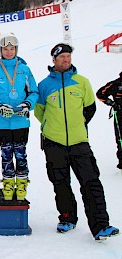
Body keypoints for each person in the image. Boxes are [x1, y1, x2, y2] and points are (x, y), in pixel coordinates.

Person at [34, 43, 119, 240]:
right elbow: (40, 112)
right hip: (53, 142)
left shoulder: (82, 82)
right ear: (54, 60)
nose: (66, 59)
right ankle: (67, 218)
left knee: (91, 182)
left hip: (79, 142)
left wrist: (77, 126)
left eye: (68, 56)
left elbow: (89, 109)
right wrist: (52, 127)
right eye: (62, 56)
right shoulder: (44, 85)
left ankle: (100, 226)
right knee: (60, 182)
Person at [0, 32, 38, 201]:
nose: (9, 52)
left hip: (21, 120)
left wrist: (27, 105)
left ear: (16, 49)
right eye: (5, 49)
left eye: (12, 48)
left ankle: (22, 183)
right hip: (2, 122)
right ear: (0, 50)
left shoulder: (24, 70)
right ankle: (7, 183)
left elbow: (34, 92)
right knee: (6, 153)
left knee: (21, 152)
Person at [96, 72, 122, 169]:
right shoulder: (116, 84)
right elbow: (100, 94)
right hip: (120, 115)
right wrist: (111, 103)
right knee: (120, 139)